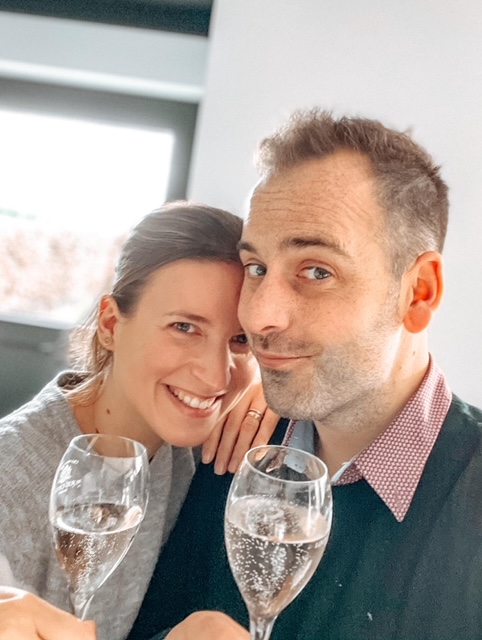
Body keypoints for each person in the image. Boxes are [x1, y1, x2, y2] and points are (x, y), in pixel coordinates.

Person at [125, 109, 482, 640]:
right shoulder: (221, 449)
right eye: (256, 268)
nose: (258, 316)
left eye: (317, 271)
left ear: (418, 293)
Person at [0, 201, 278, 640]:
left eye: (240, 339)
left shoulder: (204, 444)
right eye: (184, 327)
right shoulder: (11, 477)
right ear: (111, 324)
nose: (215, 376)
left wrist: (271, 393)